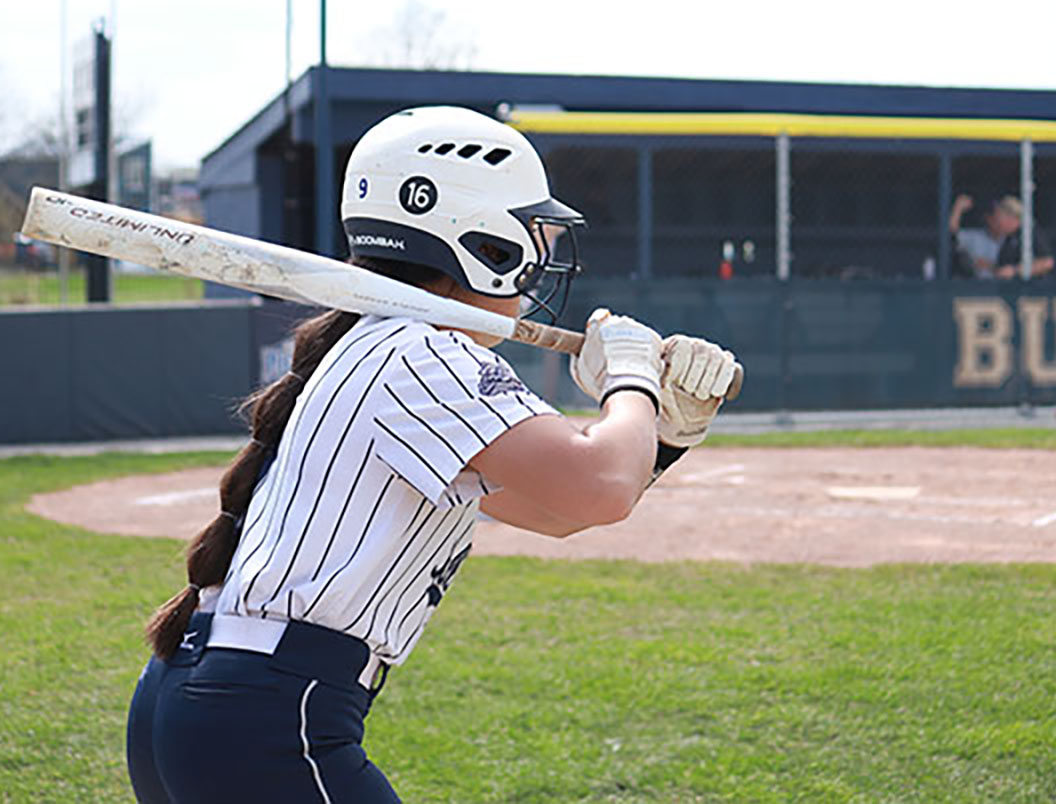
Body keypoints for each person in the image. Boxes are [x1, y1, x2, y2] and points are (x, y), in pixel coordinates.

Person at [124, 106, 741, 804]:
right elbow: (597, 485)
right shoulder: (425, 351)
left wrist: (662, 436)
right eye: (529, 230)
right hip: (265, 715)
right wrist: (631, 378)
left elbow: (556, 512)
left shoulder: (381, 344)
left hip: (211, 701)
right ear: (483, 241)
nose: (540, 253)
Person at [948, 193, 1054, 279]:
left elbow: (1047, 262)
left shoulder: (1029, 232)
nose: (997, 223)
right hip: (1007, 293)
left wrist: (1015, 270)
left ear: (1010, 217)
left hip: (1032, 295)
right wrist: (990, 267)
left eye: (999, 218)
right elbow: (1004, 268)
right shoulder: (1007, 238)